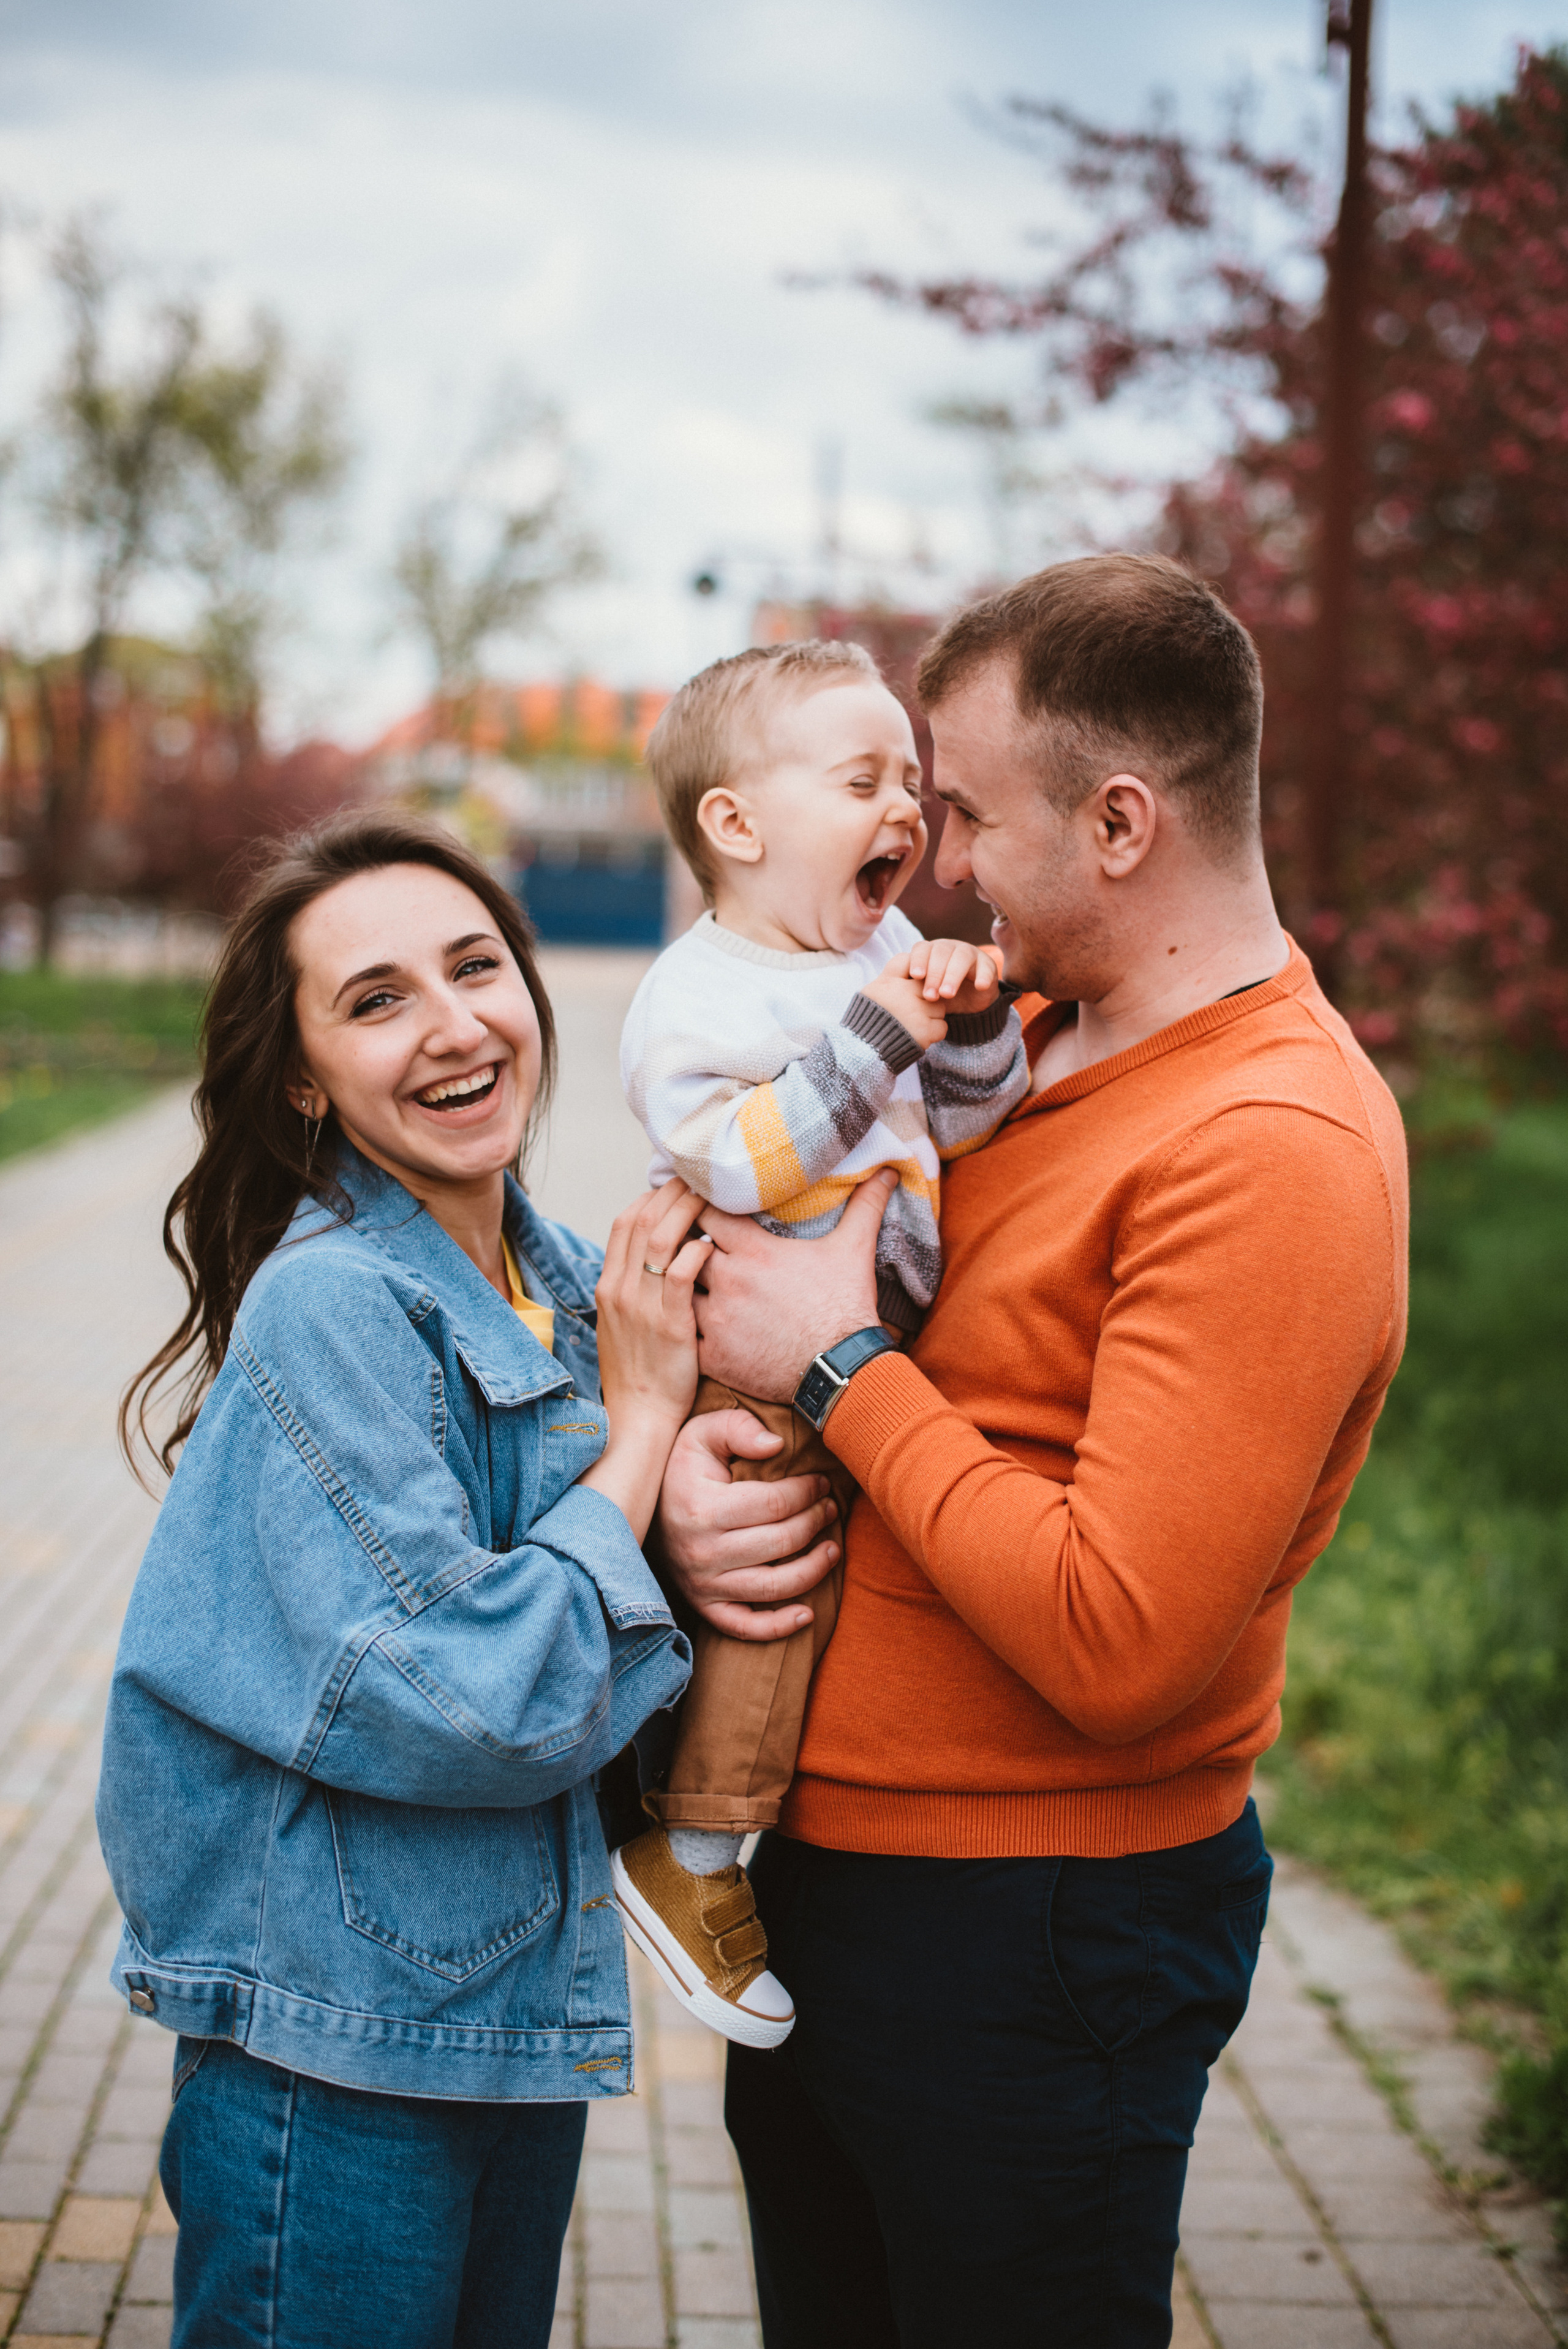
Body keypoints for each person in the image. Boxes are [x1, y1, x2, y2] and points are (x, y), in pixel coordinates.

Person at [655, 555, 1411, 2348]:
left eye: (973, 810)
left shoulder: (1275, 1143)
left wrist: (835, 1374)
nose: (942, 859)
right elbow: (769, 1241)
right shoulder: (1021, 1036)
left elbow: (1120, 1637)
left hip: (1033, 1934)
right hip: (836, 1890)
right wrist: (694, 1479)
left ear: (1126, 820)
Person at [98, 812, 709, 2349]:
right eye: (376, 1000)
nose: (454, 1028)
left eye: (474, 967)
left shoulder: (573, 1284)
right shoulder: (334, 1306)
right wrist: (642, 1434)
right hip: (336, 2056)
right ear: (303, 1076)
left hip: (500, 2021)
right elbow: (480, 1698)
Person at [611, 639, 1027, 2046]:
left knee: (806, 1593)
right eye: (863, 780)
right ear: (735, 825)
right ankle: (694, 1852)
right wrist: (884, 1029)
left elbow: (965, 1120)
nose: (906, 812)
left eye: (911, 783)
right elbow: (742, 1163)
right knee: (774, 1603)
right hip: (762, 1345)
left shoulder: (885, 956)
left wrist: (964, 1024)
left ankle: (707, 1820)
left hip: (851, 1331)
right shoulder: (701, 995)